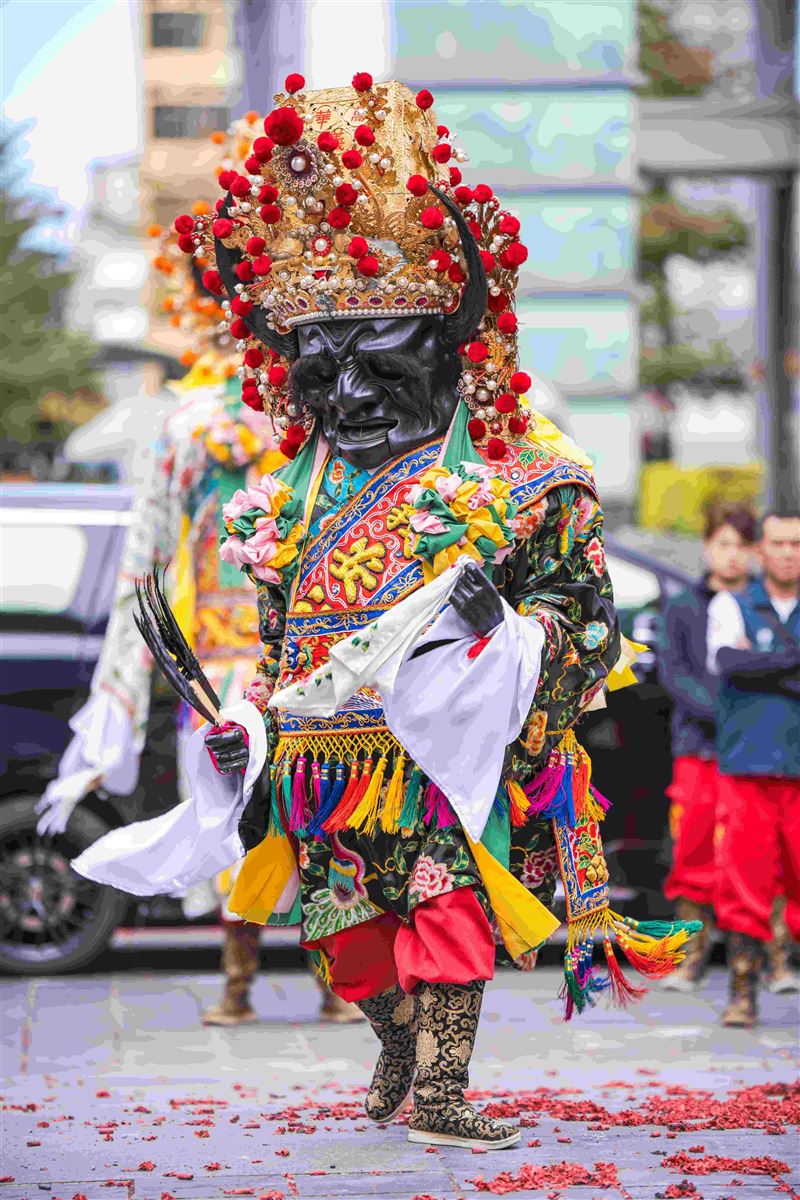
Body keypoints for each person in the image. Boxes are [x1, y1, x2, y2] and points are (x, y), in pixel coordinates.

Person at [72, 73, 700, 1151]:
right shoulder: (287, 496)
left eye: (380, 364)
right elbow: (280, 642)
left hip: (444, 752)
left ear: (447, 349)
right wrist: (250, 725)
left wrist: (511, 636)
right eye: (322, 373)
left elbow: (589, 616)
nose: (351, 399)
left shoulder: (526, 477)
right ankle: (399, 1040)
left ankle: (445, 1087)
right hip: (323, 759)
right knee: (340, 935)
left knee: (447, 913)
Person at [36, 201, 360, 1027]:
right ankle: (238, 980)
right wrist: (121, 681)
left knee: (320, 818)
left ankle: (334, 981)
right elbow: (144, 557)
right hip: (221, 661)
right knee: (235, 816)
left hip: (312, 656)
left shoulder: (320, 414)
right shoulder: (190, 425)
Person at [707, 511, 800, 1026]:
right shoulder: (731, 603)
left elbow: (747, 667)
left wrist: (762, 665)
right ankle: (742, 992)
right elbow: (728, 664)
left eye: (796, 544)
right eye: (778, 543)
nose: (787, 553)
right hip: (748, 767)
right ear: (761, 551)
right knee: (744, 884)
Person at [661, 505, 756, 989]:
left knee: (755, 853)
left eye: (741, 545)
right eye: (723, 544)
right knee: (693, 846)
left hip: (757, 750)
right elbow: (674, 675)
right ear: (706, 548)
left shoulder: (765, 604)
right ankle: (691, 956)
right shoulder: (683, 606)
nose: (732, 555)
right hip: (699, 746)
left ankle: (767, 959)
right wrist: (726, 715)